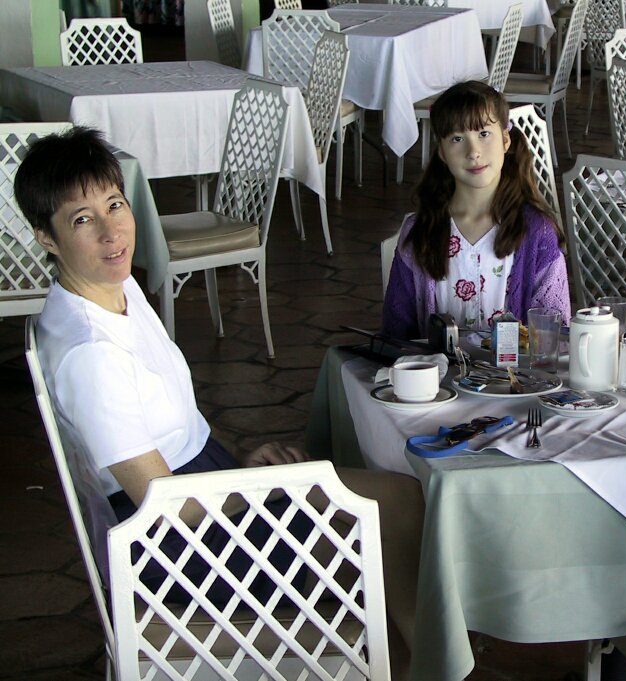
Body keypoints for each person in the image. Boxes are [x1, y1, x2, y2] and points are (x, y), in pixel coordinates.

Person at [17, 127, 423, 676]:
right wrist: (263, 487)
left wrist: (235, 464)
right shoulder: (90, 354)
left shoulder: (115, 292)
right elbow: (164, 505)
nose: (113, 232)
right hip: (182, 552)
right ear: (47, 238)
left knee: (398, 501)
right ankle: (414, 660)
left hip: (207, 494)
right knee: (389, 522)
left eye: (115, 204)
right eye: (82, 219)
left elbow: (175, 432)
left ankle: (415, 658)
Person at [382, 80, 571, 339]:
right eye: (458, 139)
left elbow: (556, 335)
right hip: (437, 379)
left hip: (518, 379)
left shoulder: (537, 233)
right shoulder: (418, 232)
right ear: (442, 153)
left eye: (484, 134)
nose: (473, 152)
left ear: (505, 140)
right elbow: (396, 334)